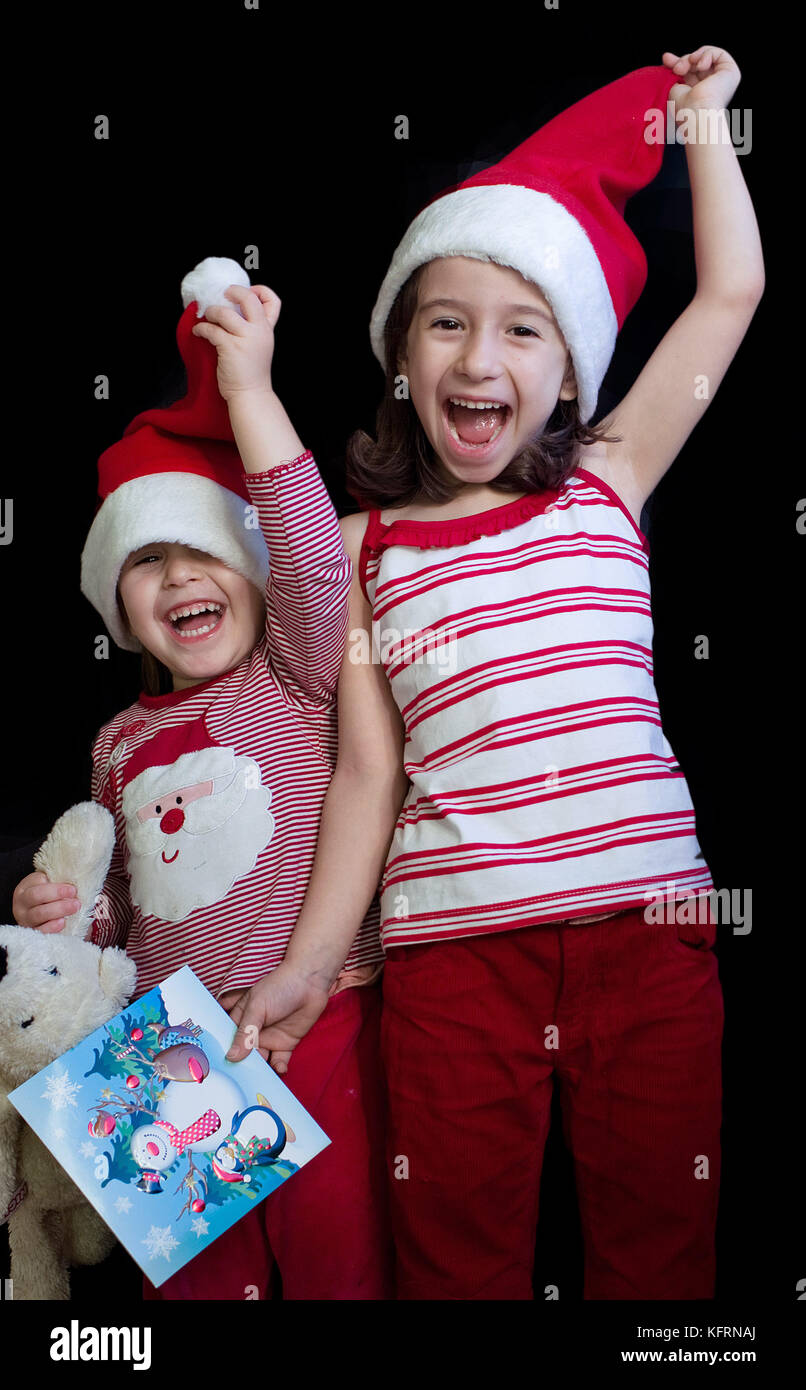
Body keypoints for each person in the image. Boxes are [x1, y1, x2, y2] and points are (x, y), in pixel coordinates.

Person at [223, 52, 764, 1300]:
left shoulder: (611, 475)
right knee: (454, 1262)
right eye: (446, 322)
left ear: (569, 370)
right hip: (453, 955)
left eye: (521, 329)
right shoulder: (367, 549)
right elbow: (368, 769)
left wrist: (697, 124)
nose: (480, 357)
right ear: (401, 360)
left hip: (651, 929)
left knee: (659, 1260)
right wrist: (305, 964)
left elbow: (729, 291)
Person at [11, 256, 393, 1301]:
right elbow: (120, 919)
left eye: (205, 549)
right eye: (146, 560)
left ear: (254, 571)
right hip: (171, 1053)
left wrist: (250, 394)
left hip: (319, 1017)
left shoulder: (298, 672)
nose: (179, 573)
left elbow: (316, 558)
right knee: (192, 1293)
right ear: (116, 601)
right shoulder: (115, 741)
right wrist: (63, 919)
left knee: (337, 1267)